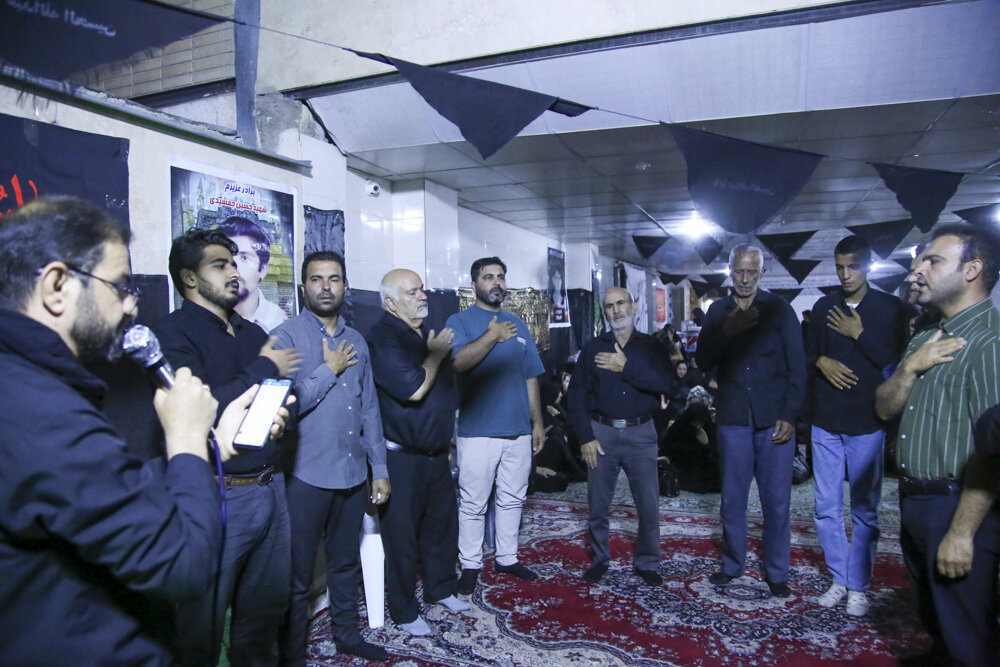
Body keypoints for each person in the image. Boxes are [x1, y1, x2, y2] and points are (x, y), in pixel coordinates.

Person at [0, 197, 287, 664]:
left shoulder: (29, 383)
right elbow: (182, 567)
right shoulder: (38, 406)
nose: (132, 304)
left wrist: (214, 445)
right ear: (56, 286)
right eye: (119, 286)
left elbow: (101, 491)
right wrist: (187, 438)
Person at [153, 228, 301, 666]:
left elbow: (282, 391)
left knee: (264, 615)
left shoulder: (252, 331)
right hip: (219, 493)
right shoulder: (172, 333)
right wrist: (264, 366)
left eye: (234, 264)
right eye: (220, 265)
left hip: (270, 488)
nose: (234, 273)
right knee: (202, 622)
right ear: (190, 278)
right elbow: (202, 409)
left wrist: (282, 412)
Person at [875, 224, 1000, 665]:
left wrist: (962, 533)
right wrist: (910, 368)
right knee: (935, 616)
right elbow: (884, 408)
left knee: (968, 634)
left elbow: (995, 453)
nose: (917, 270)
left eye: (933, 261)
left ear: (971, 270)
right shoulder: (927, 336)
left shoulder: (989, 342)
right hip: (916, 500)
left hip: (959, 505)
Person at [272, 251, 390, 663]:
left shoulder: (357, 339)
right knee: (298, 574)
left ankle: (347, 636)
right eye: (317, 279)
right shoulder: (284, 338)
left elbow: (369, 407)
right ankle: (291, 653)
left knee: (344, 563)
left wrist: (379, 468)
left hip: (353, 473)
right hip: (304, 477)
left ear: (345, 286)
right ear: (303, 287)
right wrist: (329, 369)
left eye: (334, 279)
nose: (326, 287)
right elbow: (283, 405)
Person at [695, 244, 806, 598]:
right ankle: (732, 565)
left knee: (777, 502)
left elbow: (798, 366)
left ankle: (777, 572)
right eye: (739, 272)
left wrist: (789, 415)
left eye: (751, 273)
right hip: (733, 417)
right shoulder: (717, 311)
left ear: (762, 273)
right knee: (732, 499)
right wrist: (726, 331)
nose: (744, 279)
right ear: (729, 271)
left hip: (774, 420)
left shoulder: (779, 309)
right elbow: (702, 360)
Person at [805, 236, 909, 616]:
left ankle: (859, 585)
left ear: (868, 266)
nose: (846, 275)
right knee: (825, 507)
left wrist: (859, 334)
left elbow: (896, 366)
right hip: (825, 421)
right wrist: (821, 361)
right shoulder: (823, 307)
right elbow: (807, 354)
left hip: (867, 422)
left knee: (865, 510)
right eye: (840, 267)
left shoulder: (890, 309)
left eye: (853, 267)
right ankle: (840, 578)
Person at [367, 268, 469, 637]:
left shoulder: (421, 334)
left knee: (441, 527)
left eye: (422, 289)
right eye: (412, 292)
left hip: (435, 453)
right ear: (391, 302)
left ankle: (441, 589)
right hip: (401, 458)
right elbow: (413, 390)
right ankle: (405, 611)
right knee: (403, 538)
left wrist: (446, 441)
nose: (422, 296)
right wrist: (437, 355)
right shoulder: (383, 339)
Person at [446, 257, 546, 595]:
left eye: (501, 276)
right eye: (488, 277)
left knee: (512, 498)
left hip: (518, 429)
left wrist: (537, 423)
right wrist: (491, 336)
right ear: (474, 285)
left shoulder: (517, 323)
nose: (496, 282)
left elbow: (530, 376)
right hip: (478, 430)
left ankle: (507, 557)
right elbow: (458, 363)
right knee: (473, 502)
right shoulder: (459, 321)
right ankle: (471, 564)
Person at [567, 287, 677, 584]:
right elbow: (576, 397)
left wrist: (627, 367)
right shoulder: (593, 348)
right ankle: (600, 559)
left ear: (633, 306)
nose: (616, 310)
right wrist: (585, 438)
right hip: (601, 435)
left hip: (641, 434)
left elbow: (669, 386)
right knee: (598, 506)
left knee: (649, 507)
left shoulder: (652, 347)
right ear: (605, 312)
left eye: (621, 303)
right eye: (609, 306)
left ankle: (648, 563)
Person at [217, 215, 287, 332]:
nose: (234, 268)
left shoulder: (279, 321)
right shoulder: (205, 319)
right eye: (227, 257)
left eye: (244, 258)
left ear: (262, 269)